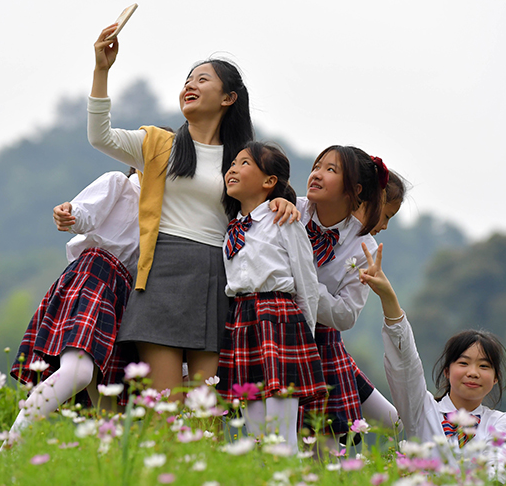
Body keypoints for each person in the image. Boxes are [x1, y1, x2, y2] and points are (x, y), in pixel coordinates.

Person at [87, 24, 297, 399]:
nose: (190, 85)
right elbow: (100, 136)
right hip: (162, 271)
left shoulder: (242, 159)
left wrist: (283, 200)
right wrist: (102, 69)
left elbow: (267, 199)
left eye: (203, 79)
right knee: (167, 405)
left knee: (205, 410)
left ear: (229, 97)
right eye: (188, 79)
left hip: (218, 274)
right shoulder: (157, 143)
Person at [5, 170, 140, 446]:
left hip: (120, 294)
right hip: (97, 273)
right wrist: (71, 214)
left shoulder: (169, 213)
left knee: (108, 410)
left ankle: (108, 473)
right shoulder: (124, 184)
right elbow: (84, 212)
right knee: (78, 372)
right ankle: (6, 454)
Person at [360, 243, 506, 481]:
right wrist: (388, 297)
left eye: (484, 366)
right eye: (463, 363)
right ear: (447, 370)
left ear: (495, 378)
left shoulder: (500, 423)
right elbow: (405, 366)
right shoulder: (421, 410)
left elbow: (499, 473)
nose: (473, 372)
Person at [216, 142, 325, 454]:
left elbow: (307, 284)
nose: (233, 169)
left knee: (281, 433)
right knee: (257, 435)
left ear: (269, 182)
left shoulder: (284, 220)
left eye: (244, 163)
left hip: (278, 322)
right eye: (232, 163)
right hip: (242, 324)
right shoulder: (231, 229)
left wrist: (303, 338)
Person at [296, 145, 398, 450]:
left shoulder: (361, 247)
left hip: (323, 344)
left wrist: (304, 285)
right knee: (281, 437)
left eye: (331, 170)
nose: (317, 173)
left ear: (354, 190)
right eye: (317, 166)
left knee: (325, 451)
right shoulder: (290, 210)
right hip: (277, 332)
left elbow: (346, 315)